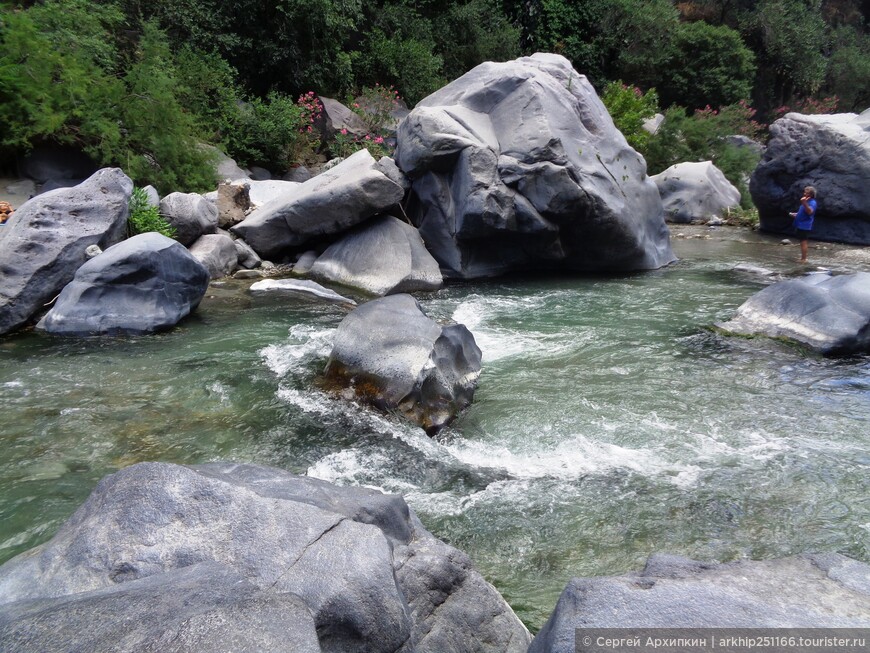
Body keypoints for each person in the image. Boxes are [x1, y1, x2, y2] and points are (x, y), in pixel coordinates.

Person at [789, 186, 817, 264]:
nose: (804, 194)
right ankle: (803, 258)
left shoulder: (812, 202)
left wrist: (804, 203)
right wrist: (796, 214)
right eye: (804, 192)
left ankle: (804, 259)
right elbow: (804, 212)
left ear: (811, 195)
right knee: (802, 241)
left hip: (805, 225)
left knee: (803, 241)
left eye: (807, 193)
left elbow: (810, 212)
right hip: (800, 224)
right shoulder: (807, 201)